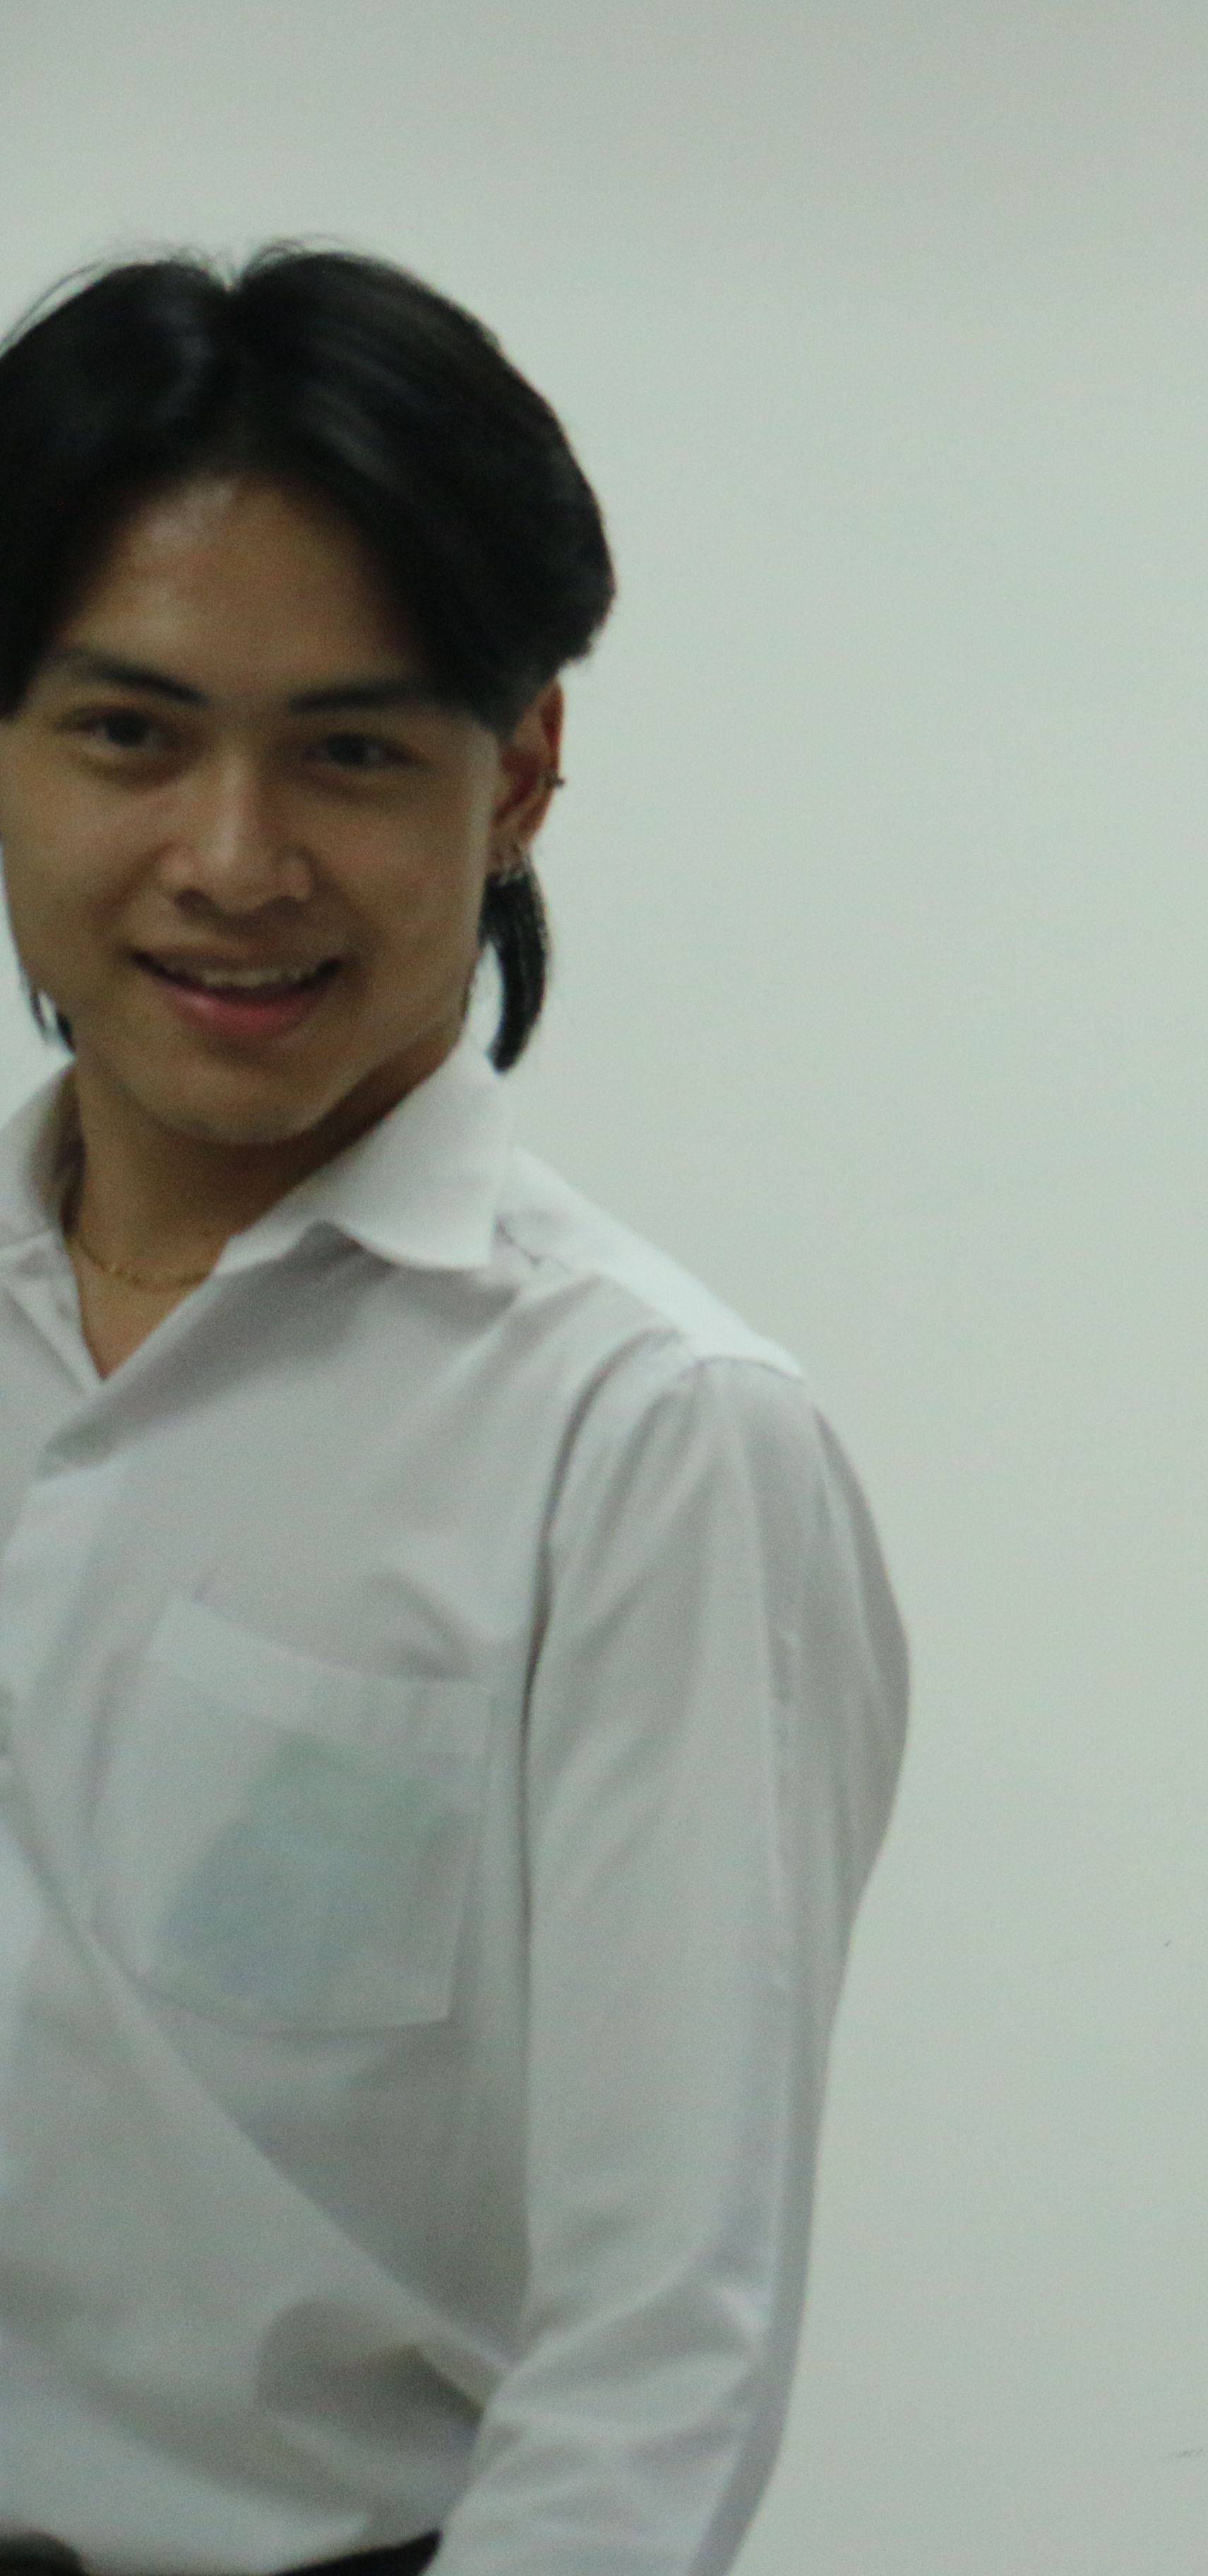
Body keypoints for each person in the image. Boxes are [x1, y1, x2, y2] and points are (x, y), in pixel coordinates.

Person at [0, 249, 906, 2576]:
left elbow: (657, 2359)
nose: (233, 860)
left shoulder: (646, 1443)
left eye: (352, 751)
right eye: (130, 736)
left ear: (517, 777)